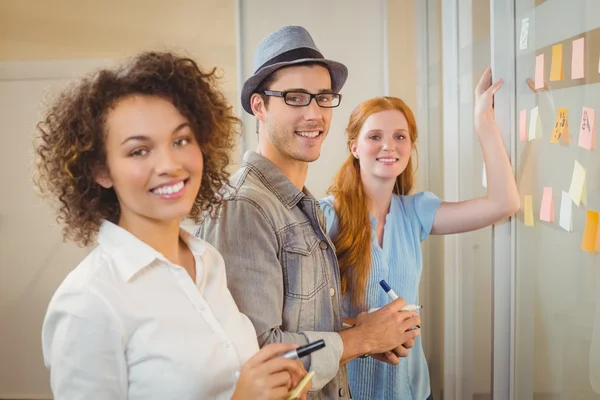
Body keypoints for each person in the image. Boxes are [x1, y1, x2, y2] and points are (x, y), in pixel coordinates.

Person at [36, 51, 311, 400]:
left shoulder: (208, 261)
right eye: (139, 151)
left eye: (181, 141)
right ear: (101, 171)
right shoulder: (88, 302)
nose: (169, 164)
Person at [196, 25, 421, 399]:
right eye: (296, 97)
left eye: (323, 97)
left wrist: (357, 326)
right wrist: (362, 339)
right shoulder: (245, 207)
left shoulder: (303, 203)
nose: (314, 113)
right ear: (259, 105)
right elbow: (257, 352)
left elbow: (297, 322)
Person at [318, 67, 520, 399]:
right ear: (354, 147)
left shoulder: (416, 212)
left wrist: (483, 121)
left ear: (410, 146)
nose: (389, 146)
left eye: (400, 136)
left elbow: (503, 202)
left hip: (411, 390)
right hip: (349, 390)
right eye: (375, 136)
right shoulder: (326, 217)